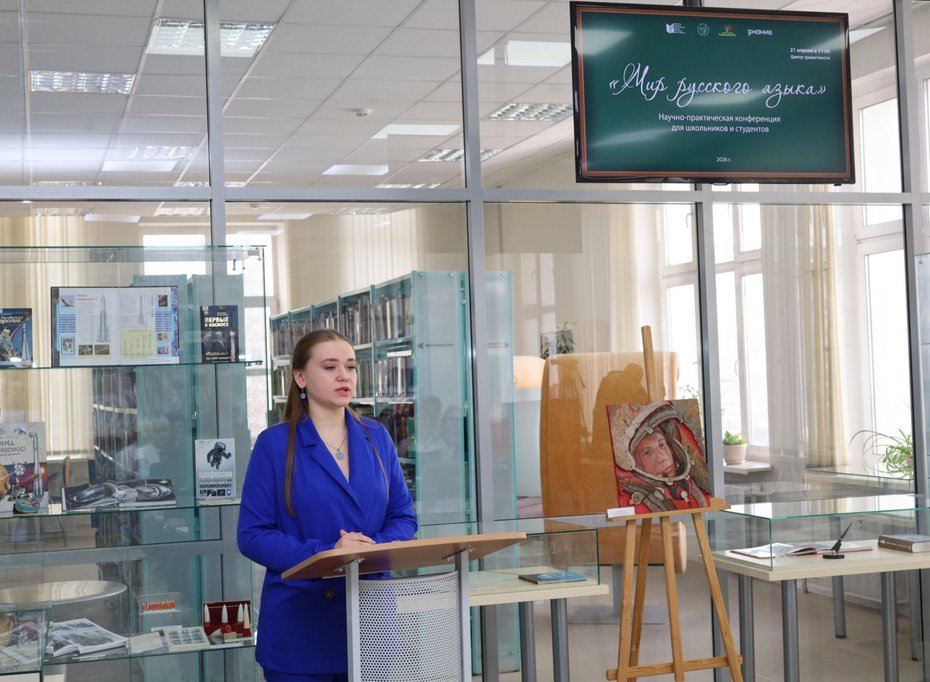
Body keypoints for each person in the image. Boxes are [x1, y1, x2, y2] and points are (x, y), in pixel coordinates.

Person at [238, 329, 417, 682]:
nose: (343, 376)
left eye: (350, 367)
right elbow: (252, 535)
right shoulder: (275, 445)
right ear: (300, 377)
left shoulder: (377, 437)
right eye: (330, 367)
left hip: (370, 619)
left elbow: (403, 518)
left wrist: (368, 549)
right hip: (300, 628)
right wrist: (328, 554)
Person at [612, 400, 711, 512]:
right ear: (633, 462)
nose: (662, 457)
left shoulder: (693, 485)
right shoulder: (636, 493)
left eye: (662, 445)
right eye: (647, 452)